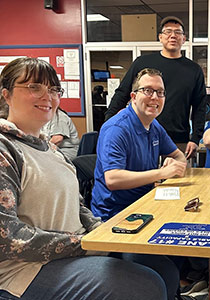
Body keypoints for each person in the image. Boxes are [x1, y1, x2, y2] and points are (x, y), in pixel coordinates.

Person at [0, 57, 168, 300]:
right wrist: (84, 244)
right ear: (6, 94)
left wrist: (101, 231)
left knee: (164, 271)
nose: (47, 96)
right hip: (27, 269)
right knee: (146, 286)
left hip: (77, 251)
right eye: (34, 87)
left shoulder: (51, 150)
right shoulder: (6, 149)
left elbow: (78, 206)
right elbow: (6, 236)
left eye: (54, 89)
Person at [91, 68, 186, 300]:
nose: (155, 97)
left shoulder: (154, 125)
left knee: (182, 249)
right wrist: (159, 174)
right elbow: (112, 179)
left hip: (147, 208)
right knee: (167, 272)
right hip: (116, 218)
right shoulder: (117, 129)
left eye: (160, 92)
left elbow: (180, 158)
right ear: (133, 96)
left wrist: (169, 168)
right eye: (148, 91)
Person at [105, 16, 206, 159]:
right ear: (160, 37)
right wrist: (108, 123)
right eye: (168, 31)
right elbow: (122, 93)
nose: (173, 35)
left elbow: (199, 106)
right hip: (140, 135)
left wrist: (195, 138)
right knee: (140, 178)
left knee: (175, 179)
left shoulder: (194, 70)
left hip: (176, 140)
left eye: (178, 32)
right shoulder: (142, 63)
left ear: (184, 39)